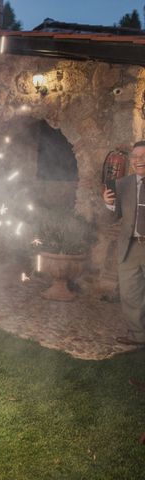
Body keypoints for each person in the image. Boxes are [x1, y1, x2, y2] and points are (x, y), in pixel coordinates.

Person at [102, 140, 145, 347]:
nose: (139, 160)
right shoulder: (123, 184)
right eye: (135, 157)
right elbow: (113, 217)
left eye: (143, 156)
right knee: (130, 294)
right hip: (130, 246)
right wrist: (109, 204)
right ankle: (138, 336)